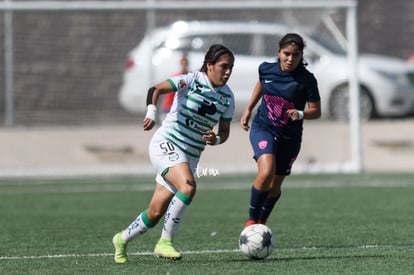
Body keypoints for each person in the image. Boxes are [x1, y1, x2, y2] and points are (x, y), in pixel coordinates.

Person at [112, 44, 235, 263]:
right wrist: (151, 112)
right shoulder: (191, 80)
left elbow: (224, 134)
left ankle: (121, 239)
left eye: (230, 68)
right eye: (223, 66)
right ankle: (164, 242)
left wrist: (215, 139)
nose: (227, 72)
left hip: (190, 156)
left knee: (155, 213)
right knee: (188, 186)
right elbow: (155, 90)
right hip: (167, 143)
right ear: (209, 65)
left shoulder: (227, 98)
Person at [240, 33, 321, 228]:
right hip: (263, 128)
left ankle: (262, 221)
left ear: (301, 56)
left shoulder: (307, 80)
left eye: (296, 55)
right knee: (266, 171)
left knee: (275, 185)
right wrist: (248, 109)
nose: (290, 59)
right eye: (286, 54)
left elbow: (316, 111)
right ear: (279, 51)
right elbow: (261, 84)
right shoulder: (266, 69)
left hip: (290, 137)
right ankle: (251, 221)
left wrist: (301, 114)